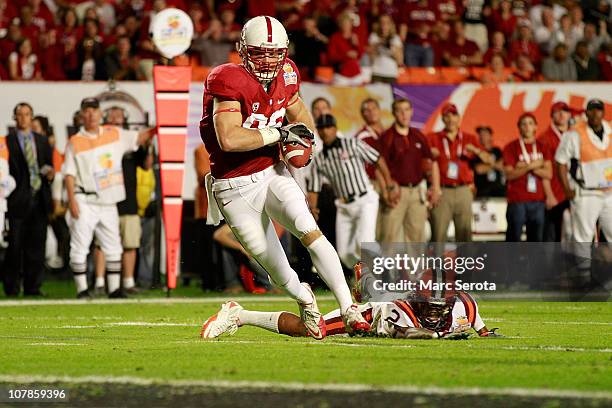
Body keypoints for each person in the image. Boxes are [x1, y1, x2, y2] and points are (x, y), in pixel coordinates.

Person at [199, 16, 370, 340]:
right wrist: (279, 132)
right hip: (234, 187)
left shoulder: (288, 74)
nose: (268, 61)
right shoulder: (228, 79)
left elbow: (301, 117)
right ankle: (305, 300)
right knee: (278, 272)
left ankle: (349, 307)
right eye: (260, 53)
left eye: (275, 53)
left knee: (307, 229)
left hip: (271, 172)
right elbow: (230, 139)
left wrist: (303, 138)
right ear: (243, 51)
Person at [201, 265, 501, 340]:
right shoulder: (404, 309)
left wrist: (486, 333)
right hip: (369, 317)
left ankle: (365, 282)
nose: (435, 309)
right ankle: (239, 314)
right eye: (429, 303)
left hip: (384, 313)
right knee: (310, 331)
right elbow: (405, 332)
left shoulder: (465, 306)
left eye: (441, 303)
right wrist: (435, 334)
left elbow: (482, 328)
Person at [63, 97, 154, 299]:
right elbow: (68, 174)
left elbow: (139, 137)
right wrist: (72, 202)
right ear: (81, 115)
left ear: (99, 113)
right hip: (84, 199)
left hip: (108, 201)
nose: (91, 114)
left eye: (94, 110)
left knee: (113, 245)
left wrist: (160, 127)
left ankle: (114, 290)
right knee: (80, 245)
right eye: (87, 111)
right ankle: (82, 290)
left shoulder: (115, 134)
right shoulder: (75, 141)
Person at [307, 113, 394, 269]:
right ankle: (365, 278)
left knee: (365, 242)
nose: (325, 131)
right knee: (345, 253)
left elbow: (377, 159)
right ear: (318, 132)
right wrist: (313, 209)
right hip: (343, 206)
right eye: (321, 128)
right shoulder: (319, 159)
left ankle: (380, 278)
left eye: (328, 127)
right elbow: (314, 188)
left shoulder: (353, 144)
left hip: (365, 200)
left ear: (335, 128)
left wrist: (389, 184)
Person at [3, 102, 54, 297]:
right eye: (20, 114)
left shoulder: (41, 141)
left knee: (37, 245)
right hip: (17, 200)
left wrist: (50, 173)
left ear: (32, 118)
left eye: (27, 114)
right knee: (15, 246)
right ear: (15, 118)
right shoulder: (7, 141)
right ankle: (12, 287)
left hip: (39, 199)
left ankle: (33, 286)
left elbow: (48, 165)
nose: (24, 118)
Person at [378, 98, 440, 243]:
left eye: (406, 110)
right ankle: (388, 266)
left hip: (416, 192)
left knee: (417, 238)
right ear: (394, 113)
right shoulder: (387, 137)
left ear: (412, 112)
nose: (404, 114)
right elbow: (379, 168)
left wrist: (436, 187)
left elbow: (432, 162)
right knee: (389, 237)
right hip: (397, 192)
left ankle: (415, 267)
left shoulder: (419, 136)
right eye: (399, 111)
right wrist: (386, 190)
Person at [429, 104, 491, 242]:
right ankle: (436, 263)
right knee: (438, 235)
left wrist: (476, 151)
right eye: (447, 116)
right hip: (442, 191)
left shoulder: (469, 138)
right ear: (443, 119)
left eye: (454, 115)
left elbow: (489, 160)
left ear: (459, 118)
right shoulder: (433, 138)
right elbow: (425, 164)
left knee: (464, 235)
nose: (451, 119)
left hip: (464, 190)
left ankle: (464, 264)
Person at [555, 99, 611, 243]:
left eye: (598, 110)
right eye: (591, 110)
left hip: (609, 191)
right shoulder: (574, 134)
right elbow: (560, 162)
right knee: (583, 237)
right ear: (586, 113)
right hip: (586, 192)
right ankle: (583, 266)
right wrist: (567, 189)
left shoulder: (610, 131)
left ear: (603, 113)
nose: (595, 113)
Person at [503, 112, 553, 242]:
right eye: (523, 124)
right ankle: (510, 263)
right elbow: (509, 174)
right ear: (519, 127)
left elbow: (549, 173)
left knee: (536, 241)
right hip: (517, 200)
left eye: (530, 123)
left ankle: (534, 263)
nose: (527, 127)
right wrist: (533, 166)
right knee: (514, 238)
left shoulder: (543, 147)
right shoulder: (511, 147)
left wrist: (525, 167)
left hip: (538, 201)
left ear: (536, 127)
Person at [537, 102, 573, 242]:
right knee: (552, 236)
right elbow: (545, 170)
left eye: (565, 111)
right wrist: (549, 195)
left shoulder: (575, 134)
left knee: (572, 235)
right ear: (552, 116)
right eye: (558, 111)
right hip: (555, 192)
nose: (562, 114)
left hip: (572, 191)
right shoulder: (544, 138)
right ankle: (550, 264)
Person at [472, 126, 505, 198]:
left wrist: (488, 166)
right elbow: (479, 169)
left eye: (485, 134)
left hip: (500, 190)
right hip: (483, 191)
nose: (482, 136)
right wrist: (494, 165)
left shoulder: (497, 151)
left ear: (490, 136)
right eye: (480, 135)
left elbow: (503, 165)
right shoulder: (477, 153)